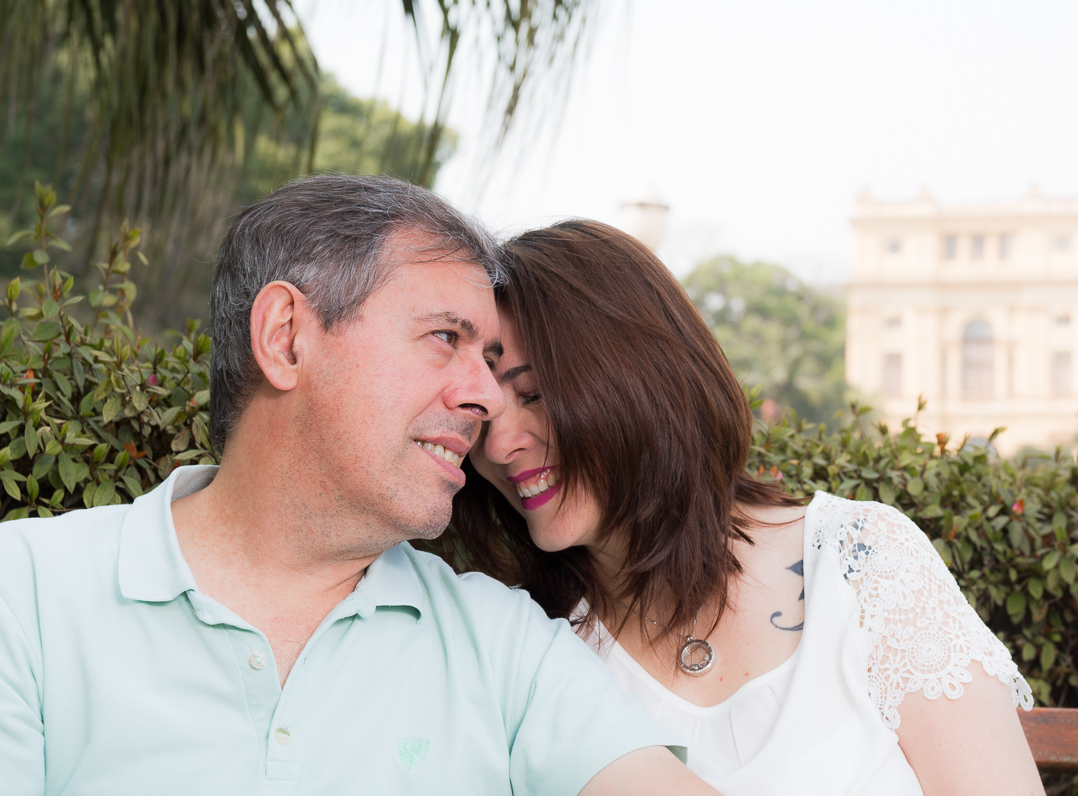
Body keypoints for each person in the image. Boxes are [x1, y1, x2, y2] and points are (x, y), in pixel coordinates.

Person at [0, 176, 718, 796]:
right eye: (446, 338)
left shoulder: (504, 645)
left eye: (490, 359)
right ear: (286, 337)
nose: (488, 400)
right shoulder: (24, 594)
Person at [445, 219, 1047, 796]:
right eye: (481, 414)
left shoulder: (860, 563)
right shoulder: (533, 644)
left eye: (533, 395)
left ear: (638, 379)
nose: (499, 446)